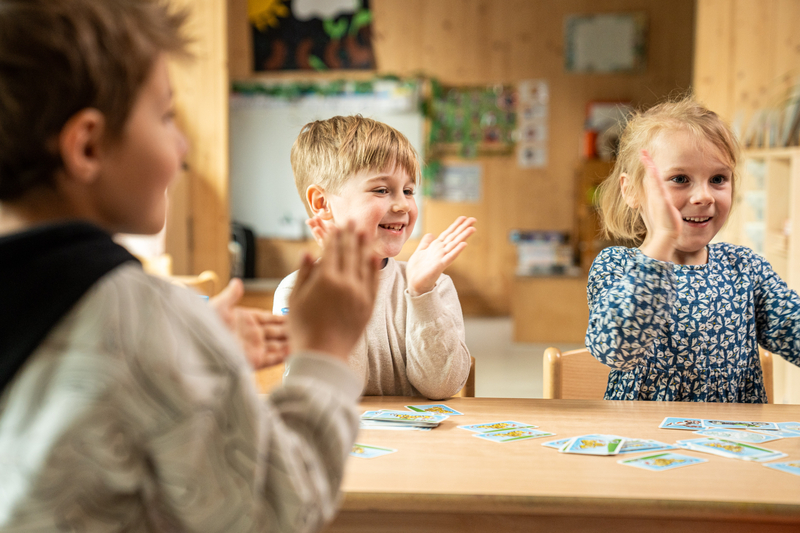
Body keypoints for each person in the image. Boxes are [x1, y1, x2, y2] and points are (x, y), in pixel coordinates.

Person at [0, 1, 380, 531]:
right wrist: (324, 353)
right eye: (166, 116)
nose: (181, 148)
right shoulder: (144, 318)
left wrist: (195, 354)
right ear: (86, 146)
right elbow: (277, 512)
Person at [586, 97, 800, 402]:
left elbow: (795, 330)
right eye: (680, 179)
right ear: (631, 190)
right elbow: (614, 348)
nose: (703, 196)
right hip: (644, 442)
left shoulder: (745, 268)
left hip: (731, 442)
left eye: (718, 179)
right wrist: (662, 240)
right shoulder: (616, 265)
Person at [272, 115, 475, 400]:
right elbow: (335, 393)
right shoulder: (299, 292)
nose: (402, 204)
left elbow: (442, 386)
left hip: (424, 444)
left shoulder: (434, 285)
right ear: (322, 203)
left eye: (408, 190)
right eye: (382, 190)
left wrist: (422, 295)